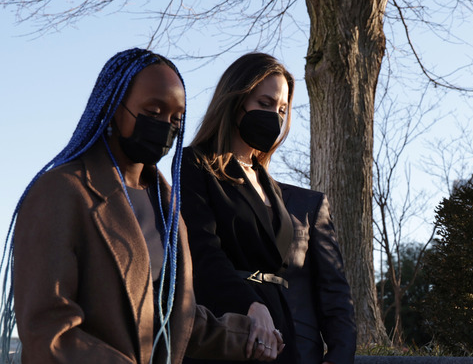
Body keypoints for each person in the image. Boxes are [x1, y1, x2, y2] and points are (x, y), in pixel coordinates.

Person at [0, 48, 271, 364]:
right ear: (115, 108)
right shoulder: (59, 192)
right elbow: (50, 333)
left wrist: (246, 337)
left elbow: (171, 320)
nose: (166, 125)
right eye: (153, 111)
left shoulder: (168, 208)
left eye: (176, 118)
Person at [180, 53, 297, 364]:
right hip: (227, 328)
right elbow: (202, 250)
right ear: (235, 100)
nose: (275, 115)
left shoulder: (267, 181)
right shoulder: (194, 164)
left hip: (279, 334)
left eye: (282, 109)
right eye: (265, 103)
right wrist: (251, 305)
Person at [278, 183, 357, 364]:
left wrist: (338, 357)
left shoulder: (308, 202)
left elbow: (333, 287)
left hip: (300, 350)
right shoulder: (208, 197)